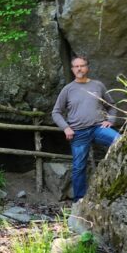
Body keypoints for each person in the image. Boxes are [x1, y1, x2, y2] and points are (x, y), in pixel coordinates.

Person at [52, 54, 120, 201]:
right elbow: (56, 112)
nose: (79, 69)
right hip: (78, 133)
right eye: (76, 66)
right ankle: (79, 201)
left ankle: (118, 187)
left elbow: (112, 106)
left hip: (98, 128)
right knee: (78, 167)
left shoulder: (98, 85)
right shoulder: (68, 89)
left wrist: (110, 120)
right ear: (72, 69)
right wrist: (66, 128)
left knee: (119, 141)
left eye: (82, 65)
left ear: (87, 68)